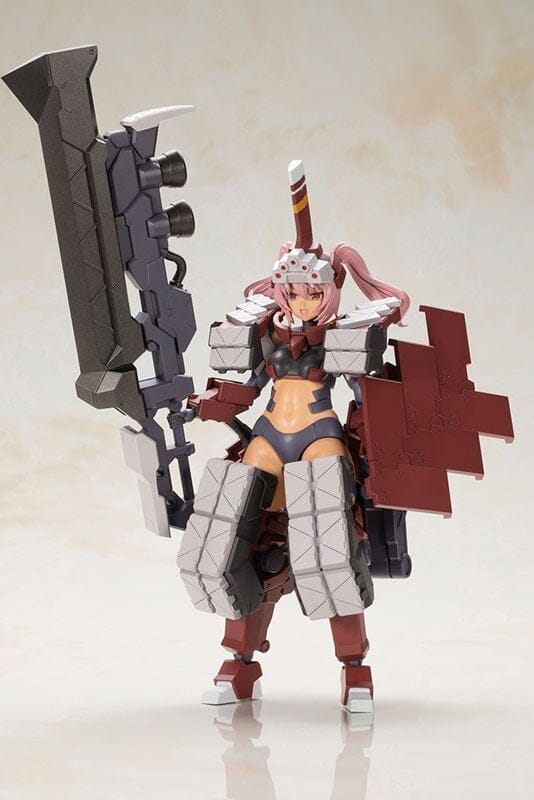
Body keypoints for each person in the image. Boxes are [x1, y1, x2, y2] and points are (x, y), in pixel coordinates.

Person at [179, 160, 409, 713]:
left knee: (329, 552)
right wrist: (202, 405)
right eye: (294, 293)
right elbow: (244, 390)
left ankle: (355, 670)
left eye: (312, 294)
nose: (302, 303)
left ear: (329, 291)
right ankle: (239, 662)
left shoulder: (339, 338)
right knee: (228, 539)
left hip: (318, 436)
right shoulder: (267, 336)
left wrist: (379, 432)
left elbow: (370, 396)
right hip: (267, 438)